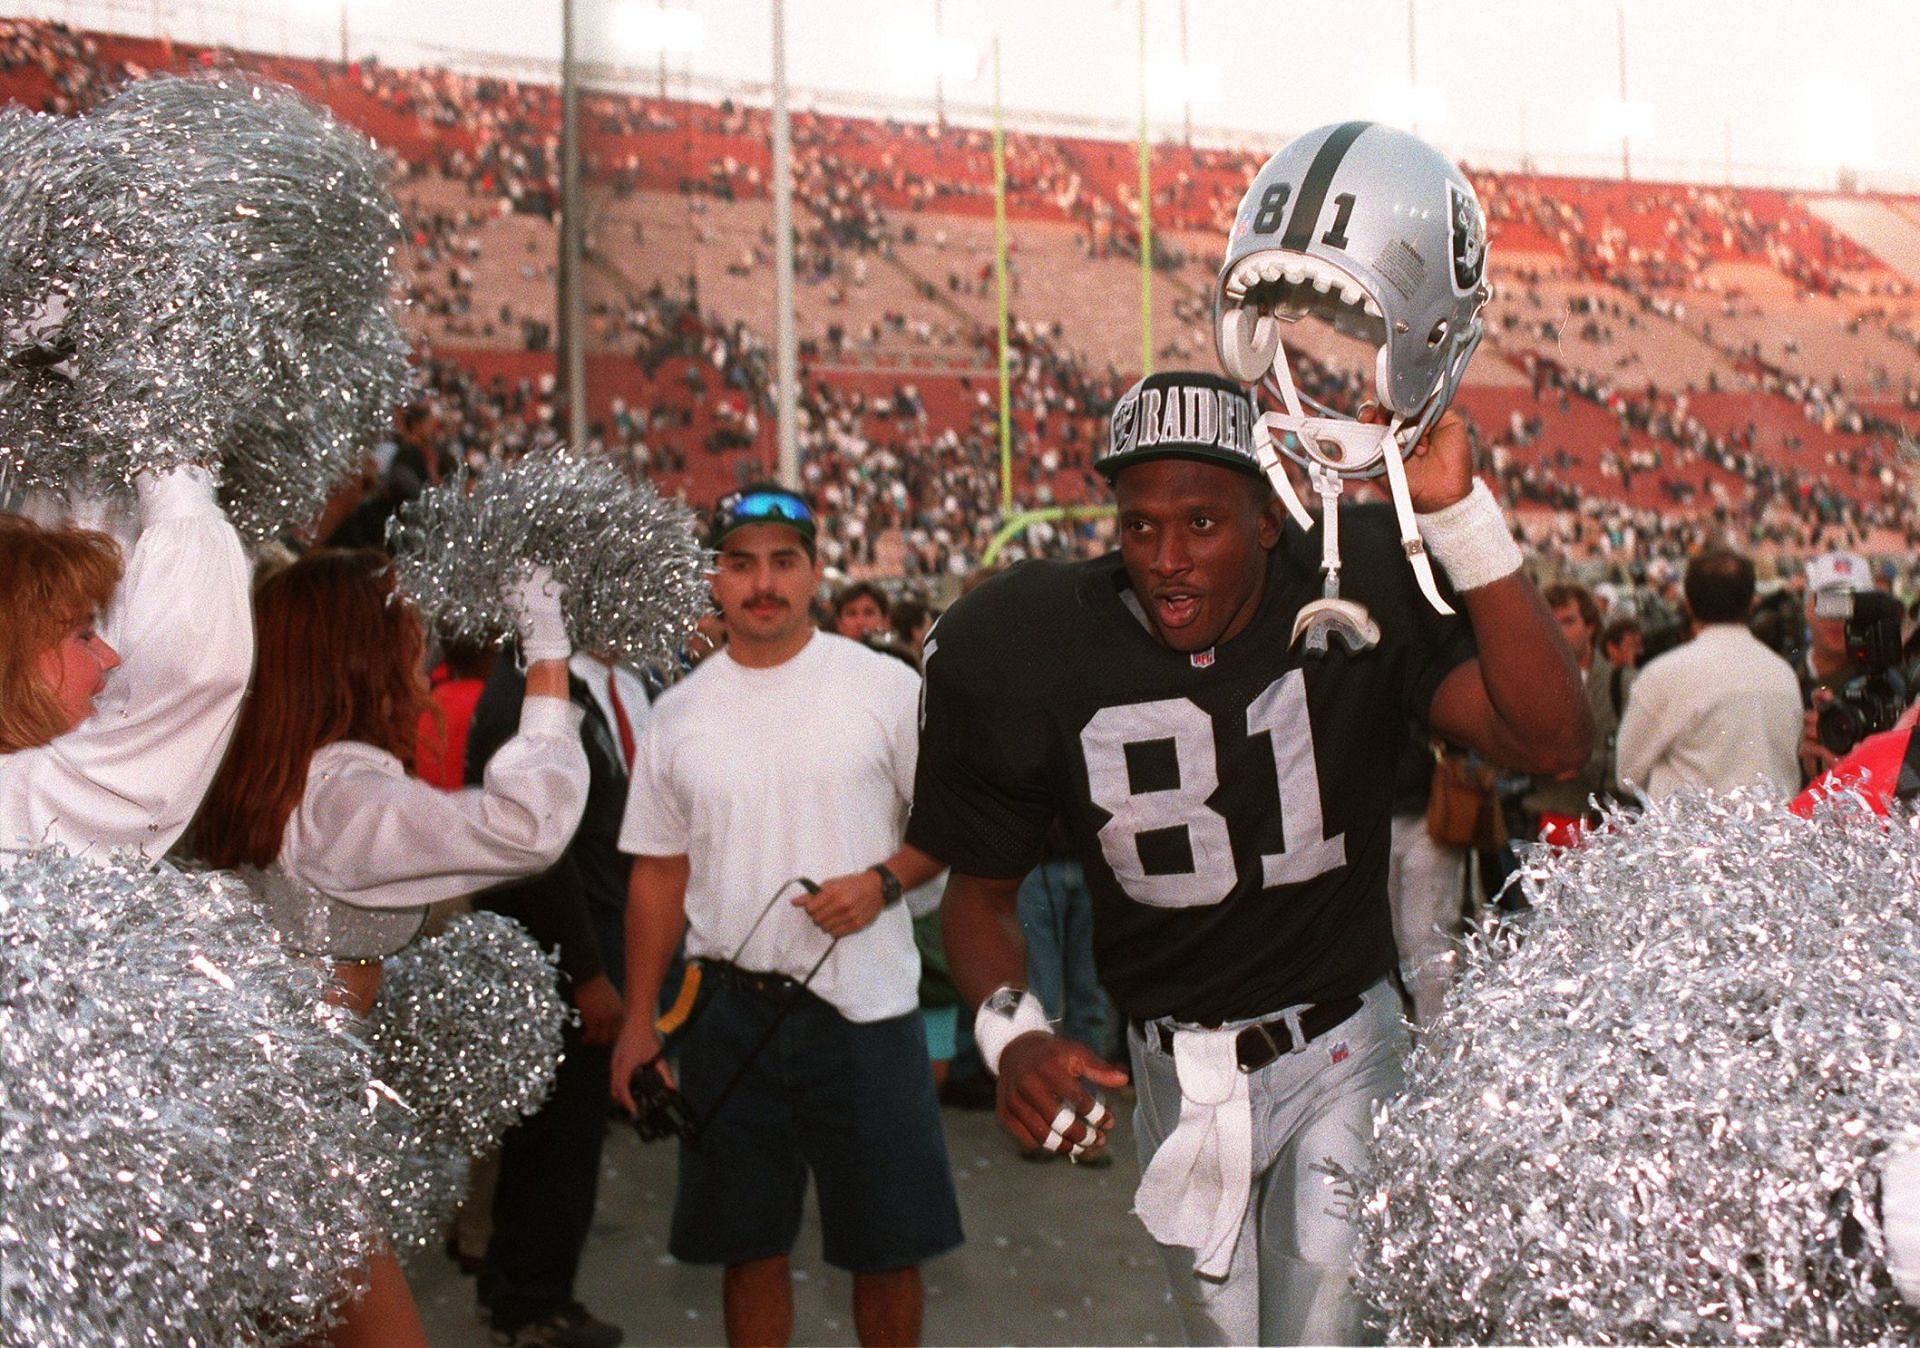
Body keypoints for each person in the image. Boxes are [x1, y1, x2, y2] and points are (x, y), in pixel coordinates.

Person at [911, 369, 1589, 1345]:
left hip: (1340, 1046)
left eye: (1201, 523)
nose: (1166, 557)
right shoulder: (1031, 640)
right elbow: (981, 895)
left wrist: (1460, 516)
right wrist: (1011, 1033)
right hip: (1174, 1073)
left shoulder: (1351, 581)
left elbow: (1553, 741)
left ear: (1271, 520)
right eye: (1140, 525)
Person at [191, 548, 589, 1348]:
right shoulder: (342, 797)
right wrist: (548, 659)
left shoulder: (278, 774)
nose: (426, 656)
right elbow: (527, 827)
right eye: (410, 639)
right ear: (362, 659)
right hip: (294, 1139)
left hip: (267, 1117)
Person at [609, 483, 961, 1348]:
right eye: (740, 563)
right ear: (715, 580)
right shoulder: (678, 712)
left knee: (887, 1252)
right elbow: (658, 873)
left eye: (783, 562)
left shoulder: (882, 686)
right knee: (748, 1249)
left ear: (814, 573)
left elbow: (950, 828)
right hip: (727, 1015)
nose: (762, 582)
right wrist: (637, 1022)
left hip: (868, 1012)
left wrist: (882, 880)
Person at [462, 644, 642, 1348]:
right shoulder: (528, 689)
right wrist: (585, 971)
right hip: (563, 950)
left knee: (563, 1133)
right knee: (555, 1136)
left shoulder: (603, 682)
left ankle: (527, 1287)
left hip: (597, 933)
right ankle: (530, 1301)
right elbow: (535, 852)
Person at [1, 465, 250, 858]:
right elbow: (190, 676)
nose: (111, 656)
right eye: (84, 635)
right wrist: (168, 464)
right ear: (13, 654)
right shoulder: (21, 800)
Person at [1616, 547, 1803, 801]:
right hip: (1773, 834)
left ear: (1689, 605)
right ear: (1752, 603)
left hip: (1690, 836)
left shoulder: (1663, 675)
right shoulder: (1783, 674)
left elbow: (1627, 775)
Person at [1523, 582, 1622, 843]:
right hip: (1545, 823)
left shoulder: (1619, 683)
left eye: (1568, 621)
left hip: (1605, 827)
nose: (1558, 631)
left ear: (1590, 626)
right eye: (1550, 622)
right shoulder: (1527, 686)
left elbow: (1636, 759)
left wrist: (1587, 763)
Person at [1797, 550, 1875, 782]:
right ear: (1807, 607)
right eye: (1828, 603)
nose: (1838, 616)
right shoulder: (1780, 676)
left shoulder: (1889, 686)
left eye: (1850, 604)